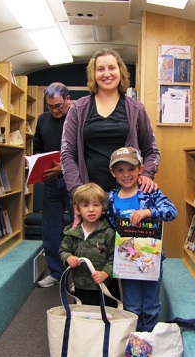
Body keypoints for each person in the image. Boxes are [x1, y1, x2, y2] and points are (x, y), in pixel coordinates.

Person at [61, 48, 161, 200]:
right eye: (100, 69)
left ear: (120, 72)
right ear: (93, 75)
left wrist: (147, 174)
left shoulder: (136, 109)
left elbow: (152, 151)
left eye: (112, 68)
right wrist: (77, 192)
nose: (107, 73)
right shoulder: (78, 109)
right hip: (90, 199)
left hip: (128, 196)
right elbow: (67, 154)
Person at [106, 147, 177, 332]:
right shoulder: (110, 199)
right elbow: (104, 224)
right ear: (112, 173)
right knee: (132, 305)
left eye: (131, 169)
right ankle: (135, 343)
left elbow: (172, 211)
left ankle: (150, 340)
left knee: (151, 304)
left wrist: (149, 211)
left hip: (151, 259)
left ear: (140, 169)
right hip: (126, 262)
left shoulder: (150, 192)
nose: (126, 174)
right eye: (120, 170)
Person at [34, 82, 74, 288]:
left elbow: (85, 152)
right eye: (50, 106)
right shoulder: (42, 120)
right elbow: (37, 150)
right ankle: (57, 273)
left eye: (58, 106)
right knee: (50, 228)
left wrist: (64, 168)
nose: (54, 111)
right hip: (50, 182)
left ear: (68, 100)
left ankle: (80, 277)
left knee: (78, 227)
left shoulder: (77, 117)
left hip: (73, 182)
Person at [59, 182, 118, 307]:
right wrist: (68, 257)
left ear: (103, 208)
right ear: (77, 209)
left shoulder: (108, 233)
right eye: (85, 205)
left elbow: (116, 256)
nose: (91, 209)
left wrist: (105, 273)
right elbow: (63, 250)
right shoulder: (72, 233)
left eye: (96, 205)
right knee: (84, 318)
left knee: (106, 319)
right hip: (81, 287)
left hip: (105, 287)